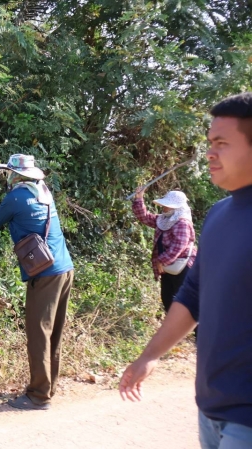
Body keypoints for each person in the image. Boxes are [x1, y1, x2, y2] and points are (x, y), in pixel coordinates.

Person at [119, 92, 252, 448]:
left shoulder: (188, 222)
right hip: (210, 409)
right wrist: (149, 356)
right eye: (210, 143)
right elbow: (193, 296)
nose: (210, 153)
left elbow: (180, 251)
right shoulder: (219, 216)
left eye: (222, 143)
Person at [0, 154, 75, 410]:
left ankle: (38, 396)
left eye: (9, 173)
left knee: (38, 333)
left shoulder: (16, 196)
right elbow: (2, 214)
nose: (8, 177)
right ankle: (48, 388)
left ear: (16, 174)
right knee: (53, 333)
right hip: (64, 268)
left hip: (45, 274)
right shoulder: (42, 192)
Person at [132, 188, 197, 313]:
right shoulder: (165, 219)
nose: (164, 207)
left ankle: (192, 326)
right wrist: (139, 199)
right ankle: (173, 324)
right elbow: (145, 217)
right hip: (168, 266)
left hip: (182, 266)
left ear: (175, 207)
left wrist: (162, 261)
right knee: (167, 298)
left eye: (167, 205)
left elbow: (179, 245)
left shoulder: (182, 222)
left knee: (183, 302)